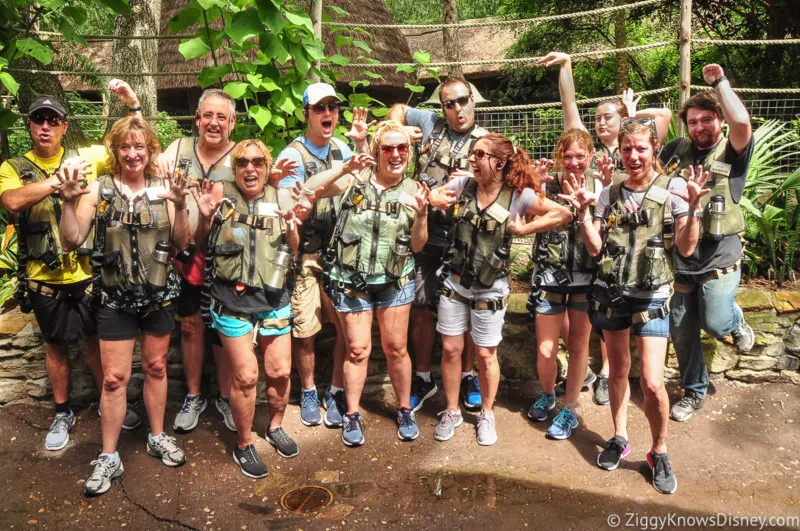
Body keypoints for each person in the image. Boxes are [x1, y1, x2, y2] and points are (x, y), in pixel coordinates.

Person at [191, 139, 371, 477]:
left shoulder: (280, 194)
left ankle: (274, 426)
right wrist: (203, 220)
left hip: (273, 297)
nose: (250, 168)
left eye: (258, 162)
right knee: (246, 376)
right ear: (235, 166)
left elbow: (295, 242)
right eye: (243, 161)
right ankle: (244, 443)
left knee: (279, 372)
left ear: (267, 166)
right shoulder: (219, 192)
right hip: (231, 298)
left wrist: (291, 230)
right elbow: (200, 243)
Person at [565, 119, 708, 495]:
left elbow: (687, 248)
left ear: (654, 149)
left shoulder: (673, 188)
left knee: (652, 382)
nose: (633, 156)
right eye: (627, 148)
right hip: (613, 293)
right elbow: (595, 248)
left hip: (653, 296)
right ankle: (619, 435)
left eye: (641, 148)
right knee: (617, 373)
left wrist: (693, 209)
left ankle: (659, 450)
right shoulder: (609, 194)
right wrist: (583, 214)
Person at [0, 81, 143, 452]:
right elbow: (12, 201)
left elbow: (129, 146)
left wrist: (131, 104)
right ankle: (62, 411)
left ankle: (106, 401)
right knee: (56, 345)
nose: (45, 127)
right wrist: (56, 183)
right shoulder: (15, 167)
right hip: (42, 277)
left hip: (87, 273)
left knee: (95, 341)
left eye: (53, 120)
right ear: (29, 126)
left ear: (64, 125)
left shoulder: (85, 156)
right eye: (38, 120)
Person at [57, 116, 191, 496]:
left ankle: (158, 435)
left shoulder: (166, 188)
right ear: (115, 151)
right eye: (125, 146)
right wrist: (68, 202)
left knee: (156, 366)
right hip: (114, 297)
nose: (132, 153)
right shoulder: (98, 190)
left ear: (149, 150)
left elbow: (182, 242)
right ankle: (109, 454)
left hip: (159, 294)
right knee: (114, 379)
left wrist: (181, 207)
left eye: (139, 146)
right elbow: (71, 240)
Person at [537, 51, 673, 405]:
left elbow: (664, 118)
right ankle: (596, 374)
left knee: (611, 318)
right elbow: (569, 106)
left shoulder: (634, 150)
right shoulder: (590, 152)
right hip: (593, 243)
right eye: (596, 117)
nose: (599, 122)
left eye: (607, 116)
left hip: (630, 250)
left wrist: (631, 114)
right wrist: (566, 67)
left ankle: (609, 373)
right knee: (595, 320)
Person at [428, 133, 572, 446]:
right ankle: (451, 410)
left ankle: (487, 414)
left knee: (485, 353)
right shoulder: (462, 186)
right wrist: (433, 199)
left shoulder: (517, 196)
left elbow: (563, 213)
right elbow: (432, 194)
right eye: (472, 153)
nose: (472, 159)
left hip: (490, 288)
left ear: (500, 162)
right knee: (452, 349)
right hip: (455, 281)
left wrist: (525, 228)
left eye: (479, 154)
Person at [316, 120, 429, 447]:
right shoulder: (355, 179)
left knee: (396, 349)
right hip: (352, 281)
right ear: (377, 151)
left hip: (395, 280)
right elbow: (312, 191)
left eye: (402, 148)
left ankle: (405, 408)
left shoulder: (413, 190)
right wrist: (341, 170)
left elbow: (418, 245)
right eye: (388, 148)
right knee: (357, 349)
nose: (395, 154)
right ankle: (352, 413)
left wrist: (422, 215)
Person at [660, 65, 755, 423]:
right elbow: (649, 161)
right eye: (693, 122)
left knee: (715, 322)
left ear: (719, 119)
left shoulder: (732, 151)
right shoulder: (677, 150)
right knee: (682, 331)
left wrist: (720, 83)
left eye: (706, 120)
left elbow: (743, 123)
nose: (700, 128)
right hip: (683, 257)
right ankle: (693, 391)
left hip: (720, 254)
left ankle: (734, 322)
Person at [388, 78, 489, 413]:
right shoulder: (431, 124)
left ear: (473, 101)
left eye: (462, 101)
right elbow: (398, 110)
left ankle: (466, 375)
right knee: (420, 306)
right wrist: (400, 131)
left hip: (467, 238)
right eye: (449, 104)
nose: (457, 109)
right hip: (427, 232)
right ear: (441, 107)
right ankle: (422, 377)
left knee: (469, 308)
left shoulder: (486, 142)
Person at [276, 82, 369, 429]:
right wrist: (339, 176)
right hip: (306, 255)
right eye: (320, 108)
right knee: (305, 330)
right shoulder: (291, 155)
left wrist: (357, 148)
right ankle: (310, 390)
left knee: (346, 327)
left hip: (342, 252)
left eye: (332, 107)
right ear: (306, 114)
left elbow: (359, 180)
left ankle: (336, 389)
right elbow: (291, 200)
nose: (328, 113)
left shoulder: (343, 147)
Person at [159, 89, 238, 434]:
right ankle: (194, 395)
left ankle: (225, 396)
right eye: (208, 115)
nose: (214, 123)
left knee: (223, 330)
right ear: (197, 118)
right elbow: (142, 160)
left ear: (232, 122)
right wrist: (157, 159)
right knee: (190, 326)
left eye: (222, 117)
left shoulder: (242, 156)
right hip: (185, 254)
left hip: (227, 259)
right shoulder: (177, 150)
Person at [526, 129, 608, 440]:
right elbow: (526, 220)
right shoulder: (546, 185)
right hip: (550, 278)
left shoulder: (600, 190)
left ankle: (569, 408)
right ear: (560, 156)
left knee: (577, 347)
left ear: (589, 157)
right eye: (568, 156)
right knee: (546, 348)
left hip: (585, 281)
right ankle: (548, 394)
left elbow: (595, 246)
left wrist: (585, 210)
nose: (573, 162)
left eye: (580, 156)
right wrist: (535, 189)